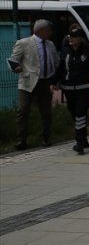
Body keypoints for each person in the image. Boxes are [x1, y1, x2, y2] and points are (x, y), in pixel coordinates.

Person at [10, 19, 60, 150]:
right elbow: (13, 59)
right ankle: (21, 140)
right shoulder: (24, 43)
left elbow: (55, 62)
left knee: (46, 112)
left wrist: (56, 81)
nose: (51, 33)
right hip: (28, 82)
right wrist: (15, 67)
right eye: (49, 30)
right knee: (23, 110)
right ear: (41, 31)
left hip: (46, 82)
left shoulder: (50, 45)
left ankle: (45, 138)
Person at [55, 27, 89, 154]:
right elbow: (60, 69)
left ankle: (79, 142)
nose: (71, 39)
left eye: (74, 37)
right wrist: (53, 82)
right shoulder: (65, 52)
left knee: (80, 112)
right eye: (70, 36)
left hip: (85, 88)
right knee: (74, 113)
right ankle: (84, 137)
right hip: (69, 88)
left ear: (81, 38)